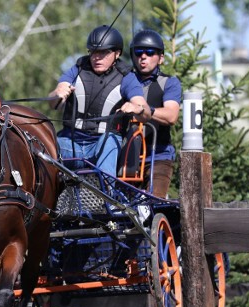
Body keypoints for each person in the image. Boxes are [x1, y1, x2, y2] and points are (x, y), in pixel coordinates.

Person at [49, 24, 151, 177]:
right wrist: (57, 93)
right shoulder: (77, 69)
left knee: (110, 139)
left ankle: (104, 195)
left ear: (117, 53)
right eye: (93, 52)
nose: (97, 57)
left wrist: (137, 108)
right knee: (41, 143)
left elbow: (146, 112)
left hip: (101, 146)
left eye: (103, 53)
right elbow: (53, 101)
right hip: (69, 144)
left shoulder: (127, 78)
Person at [129, 29, 182, 198]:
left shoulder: (169, 83)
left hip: (158, 154)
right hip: (127, 155)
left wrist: (144, 110)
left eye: (150, 52)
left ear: (161, 58)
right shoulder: (125, 81)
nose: (143, 56)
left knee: (154, 200)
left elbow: (171, 115)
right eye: (138, 52)